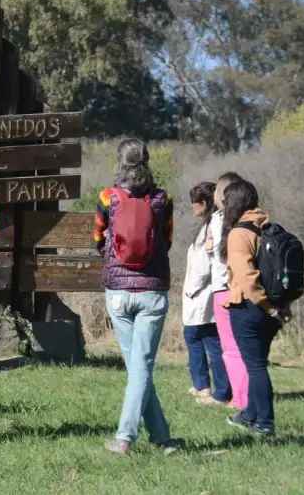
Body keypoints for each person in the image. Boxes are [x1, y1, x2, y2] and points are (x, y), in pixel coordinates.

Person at [94, 139, 184, 455]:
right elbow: (168, 240)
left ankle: (128, 438)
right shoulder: (164, 198)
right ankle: (157, 438)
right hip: (152, 291)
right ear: (147, 160)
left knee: (137, 368)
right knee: (141, 367)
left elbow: (97, 238)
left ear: (119, 162)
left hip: (117, 291)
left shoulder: (108, 196)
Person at [221, 179, 290, 436]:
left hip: (250, 307)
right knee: (257, 361)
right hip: (272, 308)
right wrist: (279, 307)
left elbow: (246, 276)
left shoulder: (240, 233)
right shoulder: (269, 228)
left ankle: (264, 422)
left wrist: (265, 306)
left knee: (255, 366)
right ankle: (249, 414)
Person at [182, 182, 230, 406]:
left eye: (195, 203)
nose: (192, 207)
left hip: (202, 292)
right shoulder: (206, 226)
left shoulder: (213, 226)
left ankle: (219, 389)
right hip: (199, 293)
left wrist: (192, 288)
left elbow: (203, 265)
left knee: (210, 340)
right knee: (195, 337)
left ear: (203, 204)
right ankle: (201, 384)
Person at [208, 172, 247, 411]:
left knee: (231, 348)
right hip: (244, 285)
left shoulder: (219, 218)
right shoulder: (249, 218)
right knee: (246, 347)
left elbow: (215, 254)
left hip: (223, 287)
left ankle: (239, 398)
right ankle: (246, 394)